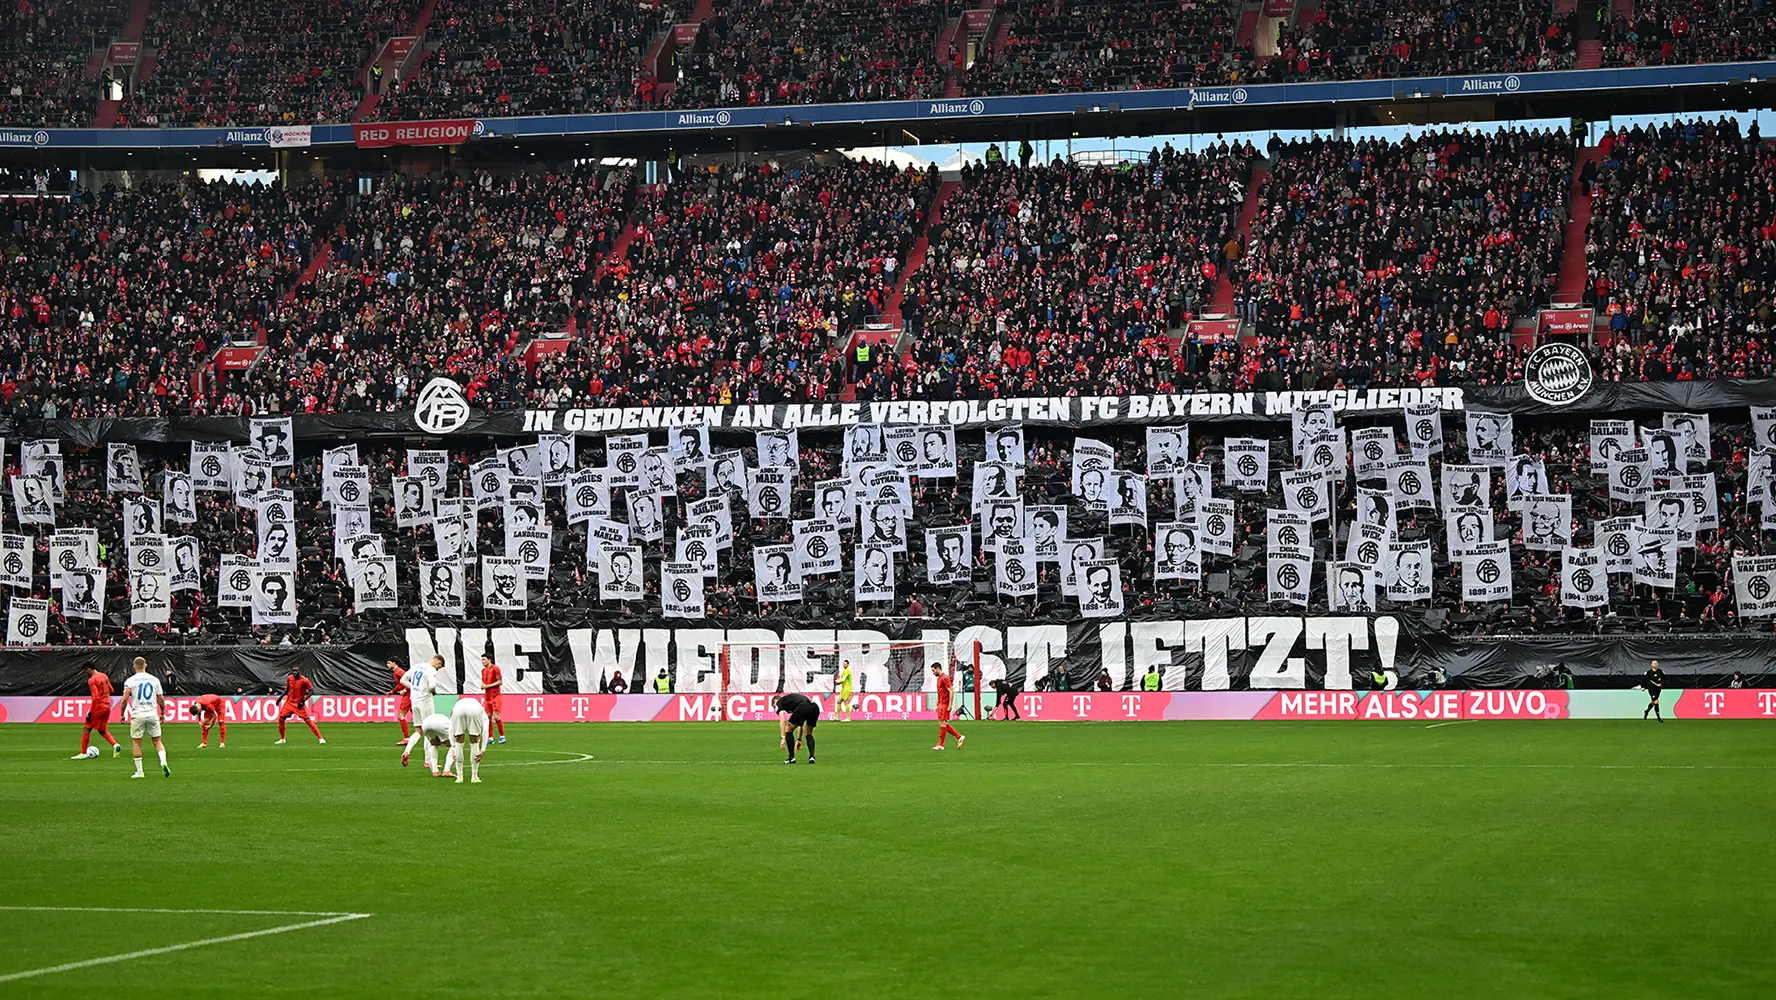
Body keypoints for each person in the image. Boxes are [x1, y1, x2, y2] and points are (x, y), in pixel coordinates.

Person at [123, 657, 170, 779]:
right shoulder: (155, 680)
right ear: (146, 665)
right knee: (157, 741)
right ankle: (163, 761)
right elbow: (160, 698)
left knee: (136, 743)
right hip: (152, 714)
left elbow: (124, 699)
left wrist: (122, 714)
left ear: (134, 666)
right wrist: (163, 712)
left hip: (138, 715)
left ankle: (140, 772)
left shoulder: (130, 681)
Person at [404, 655, 445, 770]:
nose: (437, 668)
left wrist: (413, 688)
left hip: (415, 701)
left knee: (418, 731)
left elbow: (403, 679)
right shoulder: (431, 670)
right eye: (439, 665)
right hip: (425, 701)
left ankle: (407, 751)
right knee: (429, 730)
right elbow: (432, 685)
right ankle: (428, 761)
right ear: (437, 660)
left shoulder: (417, 666)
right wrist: (432, 691)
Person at [73, 666, 121, 759]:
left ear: (88, 669)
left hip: (99, 706)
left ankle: (83, 753)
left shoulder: (92, 680)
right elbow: (111, 690)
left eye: (85, 671)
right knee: (102, 730)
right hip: (107, 706)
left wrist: (90, 712)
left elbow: (95, 697)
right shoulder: (104, 676)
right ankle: (115, 745)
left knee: (87, 728)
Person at [274, 667, 326, 745]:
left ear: (299, 672)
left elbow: (311, 691)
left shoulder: (304, 680)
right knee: (281, 718)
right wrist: (280, 698)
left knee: (307, 720)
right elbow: (287, 688)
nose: (294, 673)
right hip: (289, 703)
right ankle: (282, 739)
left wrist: (303, 700)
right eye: (293, 671)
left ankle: (321, 738)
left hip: (298, 704)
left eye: (296, 671)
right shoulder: (290, 678)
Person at [446, 697, 489, 783]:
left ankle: (459, 777)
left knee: (459, 740)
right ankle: (474, 776)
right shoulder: (482, 711)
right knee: (474, 740)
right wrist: (483, 749)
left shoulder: (457, 705)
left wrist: (453, 747)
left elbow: (450, 728)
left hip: (458, 709)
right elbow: (485, 729)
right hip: (474, 710)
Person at [401, 713, 456, 778]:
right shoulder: (453, 724)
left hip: (426, 723)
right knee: (454, 746)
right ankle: (447, 770)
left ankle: (435, 771)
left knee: (434, 744)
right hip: (441, 724)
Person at [773, 691, 821, 763]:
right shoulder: (791, 701)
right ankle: (812, 757)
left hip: (804, 706)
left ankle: (791, 758)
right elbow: (800, 723)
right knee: (808, 733)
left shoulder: (779, 703)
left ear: (774, 704)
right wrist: (799, 739)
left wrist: (783, 737)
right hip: (814, 707)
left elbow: (782, 720)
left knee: (788, 729)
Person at [931, 665, 965, 750]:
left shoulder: (944, 678)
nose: (933, 672)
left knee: (942, 723)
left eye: (933, 670)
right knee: (943, 723)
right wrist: (937, 704)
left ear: (938, 668)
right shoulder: (939, 678)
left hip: (944, 704)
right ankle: (959, 737)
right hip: (941, 704)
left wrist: (950, 705)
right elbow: (940, 693)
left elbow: (951, 690)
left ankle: (940, 744)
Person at [480, 654, 506, 744]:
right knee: (488, 718)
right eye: (482, 659)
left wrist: (488, 686)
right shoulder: (483, 670)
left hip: (495, 696)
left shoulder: (495, 669)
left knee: (496, 717)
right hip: (487, 697)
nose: (482, 661)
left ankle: (502, 736)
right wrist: (482, 685)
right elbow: (483, 681)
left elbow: (500, 681)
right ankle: (490, 737)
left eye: (484, 659)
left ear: (489, 660)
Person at [390, 659, 412, 742]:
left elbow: (410, 681)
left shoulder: (399, 671)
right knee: (420, 717)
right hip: (409, 694)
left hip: (408, 694)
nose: (387, 665)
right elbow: (400, 685)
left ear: (394, 663)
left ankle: (406, 738)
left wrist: (405, 690)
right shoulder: (396, 672)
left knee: (400, 715)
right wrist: (392, 692)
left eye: (389, 663)